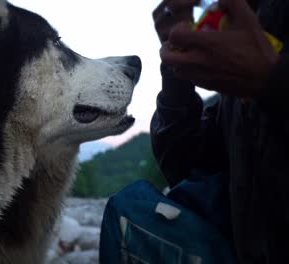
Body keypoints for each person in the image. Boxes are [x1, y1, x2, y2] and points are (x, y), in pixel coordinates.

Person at [99, 0, 289, 263]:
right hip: (247, 239)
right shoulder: (250, 28)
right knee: (130, 208)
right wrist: (178, 71)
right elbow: (184, 169)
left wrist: (272, 80)